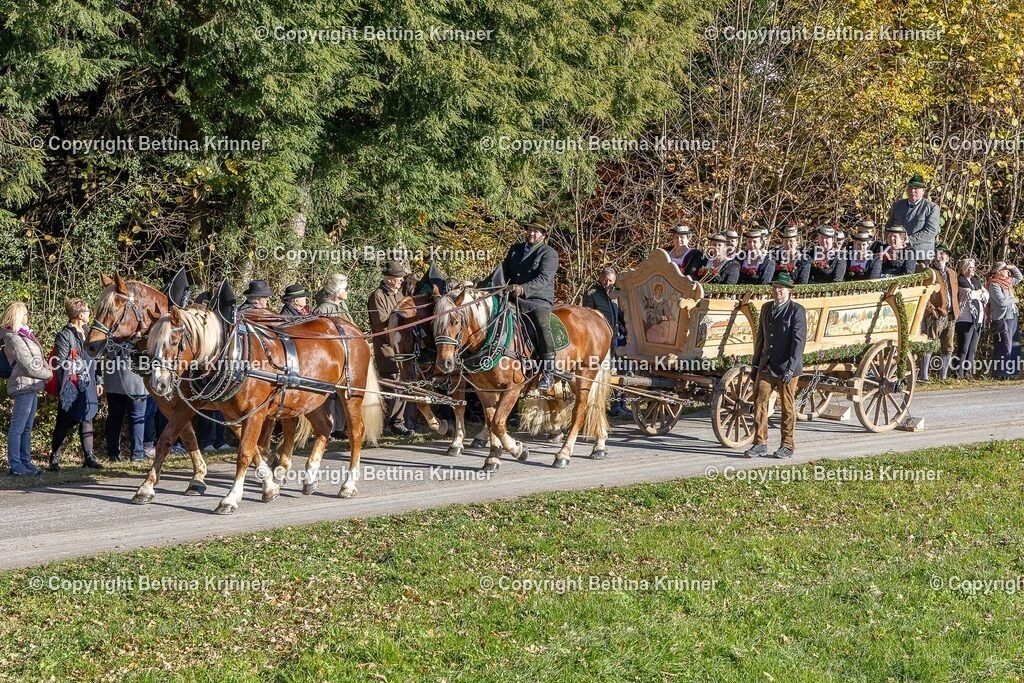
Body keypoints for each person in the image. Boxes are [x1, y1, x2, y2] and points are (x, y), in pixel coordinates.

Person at [490, 220, 560, 390]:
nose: (532, 233)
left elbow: (544, 278)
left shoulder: (549, 253)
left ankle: (548, 373)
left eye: (536, 231)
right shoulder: (515, 249)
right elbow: (502, 272)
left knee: (542, 326)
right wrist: (483, 287)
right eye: (530, 230)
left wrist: (523, 288)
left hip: (537, 300)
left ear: (544, 235)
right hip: (512, 298)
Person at [745, 272, 806, 459]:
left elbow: (798, 342)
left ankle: (787, 445)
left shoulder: (796, 310)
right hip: (767, 365)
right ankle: (760, 443)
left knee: (787, 407)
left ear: (788, 291)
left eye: (781, 288)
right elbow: (761, 339)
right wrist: (755, 366)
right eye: (775, 287)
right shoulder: (766, 308)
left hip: (787, 367)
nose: (777, 291)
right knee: (759, 402)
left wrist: (791, 368)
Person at [49, 298, 103, 471]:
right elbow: (59, 363)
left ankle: (89, 456)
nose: (89, 313)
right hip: (71, 384)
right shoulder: (65, 335)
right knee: (64, 421)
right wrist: (62, 388)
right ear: (80, 315)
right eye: (87, 310)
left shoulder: (89, 331)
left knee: (88, 418)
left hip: (89, 382)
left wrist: (99, 380)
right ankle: (55, 457)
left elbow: (97, 358)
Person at [2, 302, 52, 476]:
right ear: (17, 315)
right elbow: (28, 365)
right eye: (24, 313)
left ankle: (25, 461)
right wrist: (48, 374)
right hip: (23, 383)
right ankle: (16, 465)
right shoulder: (13, 338)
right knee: (18, 426)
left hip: (31, 384)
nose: (27, 316)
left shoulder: (24, 335)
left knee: (27, 427)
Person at [369, 260, 414, 435]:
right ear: (389, 279)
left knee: (403, 383)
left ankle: (398, 422)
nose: (402, 280)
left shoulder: (400, 295)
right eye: (399, 277)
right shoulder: (377, 296)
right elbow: (380, 325)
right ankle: (388, 423)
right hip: (386, 347)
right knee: (391, 383)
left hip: (402, 347)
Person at [583, 267, 630, 417]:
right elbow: (586, 316)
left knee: (621, 369)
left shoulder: (616, 294)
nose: (607, 283)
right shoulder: (591, 292)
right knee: (602, 371)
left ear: (614, 281)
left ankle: (619, 404)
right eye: (604, 279)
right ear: (599, 277)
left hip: (615, 337)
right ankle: (600, 405)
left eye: (610, 280)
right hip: (599, 339)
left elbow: (620, 315)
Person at [314, 273, 355, 438]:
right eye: (346, 288)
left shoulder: (342, 307)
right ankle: (326, 428)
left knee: (343, 394)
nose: (348, 291)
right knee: (329, 395)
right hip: (330, 359)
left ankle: (339, 427)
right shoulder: (323, 309)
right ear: (337, 291)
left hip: (346, 356)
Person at [103, 329, 150, 462]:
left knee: (115, 418)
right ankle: (137, 454)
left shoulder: (110, 330)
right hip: (136, 381)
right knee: (137, 417)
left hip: (115, 380)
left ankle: (113, 454)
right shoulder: (143, 332)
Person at [920, 245, 959, 382]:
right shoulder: (929, 272)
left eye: (943, 254)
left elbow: (955, 293)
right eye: (937, 254)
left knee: (948, 346)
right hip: (936, 314)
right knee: (930, 344)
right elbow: (923, 293)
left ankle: (943, 376)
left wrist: (956, 309)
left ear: (947, 258)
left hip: (951, 314)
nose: (940, 256)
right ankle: (924, 376)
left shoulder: (953, 273)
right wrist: (931, 310)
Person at [885, 173, 940, 263]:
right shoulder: (898, 205)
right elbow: (889, 226)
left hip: (921, 254)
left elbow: (931, 231)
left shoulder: (932, 208)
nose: (912, 191)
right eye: (910, 188)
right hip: (897, 252)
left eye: (916, 188)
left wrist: (909, 240)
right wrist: (890, 241)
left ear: (923, 191)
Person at [987, 261, 1022, 380]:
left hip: (1012, 316)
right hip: (1003, 318)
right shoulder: (994, 285)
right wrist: (1014, 299)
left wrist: (1012, 267)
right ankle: (1001, 373)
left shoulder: (1007, 282)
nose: (1007, 271)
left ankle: (1012, 372)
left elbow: (1019, 277)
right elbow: (1001, 302)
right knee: (1004, 345)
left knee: (1015, 344)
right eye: (1005, 269)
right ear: (998, 272)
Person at [953, 257, 988, 379]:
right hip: (965, 318)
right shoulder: (960, 281)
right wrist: (979, 293)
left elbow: (986, 294)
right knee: (964, 347)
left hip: (977, 319)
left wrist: (979, 293)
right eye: (971, 268)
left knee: (972, 348)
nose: (973, 270)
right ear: (964, 269)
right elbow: (969, 295)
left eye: (974, 268)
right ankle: (958, 372)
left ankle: (968, 373)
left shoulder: (975, 281)